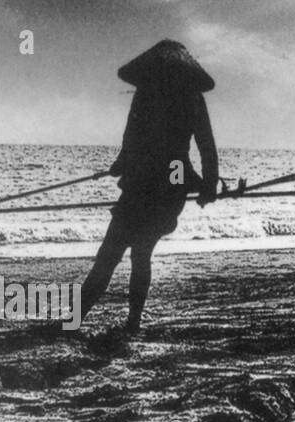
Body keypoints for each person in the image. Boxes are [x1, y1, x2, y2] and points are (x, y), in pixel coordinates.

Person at [79, 40, 218, 332]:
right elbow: (206, 148)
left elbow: (131, 140)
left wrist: (121, 164)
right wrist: (207, 186)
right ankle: (131, 321)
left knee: (111, 254)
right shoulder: (191, 97)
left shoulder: (147, 93)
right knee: (138, 254)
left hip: (147, 183)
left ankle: (76, 321)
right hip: (170, 181)